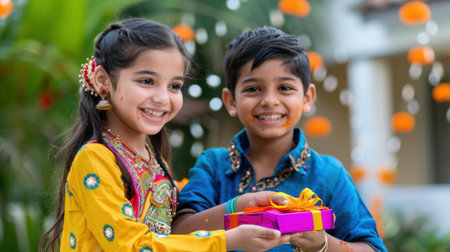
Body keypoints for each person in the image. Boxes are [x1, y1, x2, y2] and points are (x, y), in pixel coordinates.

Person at [39, 19, 295, 252]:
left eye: (175, 86)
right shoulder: (94, 159)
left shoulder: (153, 157)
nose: (163, 98)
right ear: (103, 80)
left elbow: (170, 235)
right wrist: (226, 241)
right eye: (147, 81)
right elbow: (132, 245)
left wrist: (242, 206)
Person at [173, 27, 387, 252]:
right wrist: (239, 206)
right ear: (231, 101)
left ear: (307, 98)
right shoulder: (214, 166)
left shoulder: (329, 174)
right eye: (253, 89)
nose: (269, 100)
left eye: (285, 88)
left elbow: (373, 248)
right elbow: (178, 232)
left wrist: (324, 244)